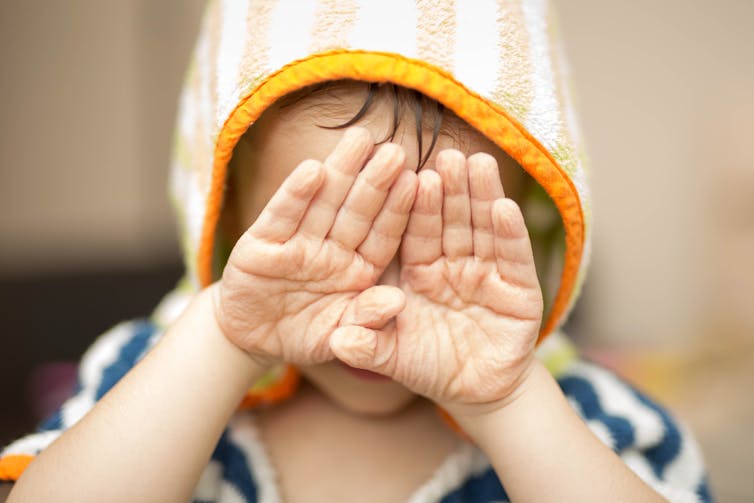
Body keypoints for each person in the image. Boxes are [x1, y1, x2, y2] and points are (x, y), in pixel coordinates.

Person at [0, 1, 712, 501]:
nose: (382, 302)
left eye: (436, 241)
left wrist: (510, 402)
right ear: (225, 218)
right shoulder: (152, 380)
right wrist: (223, 336)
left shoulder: (591, 423)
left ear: (528, 222)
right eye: (328, 234)